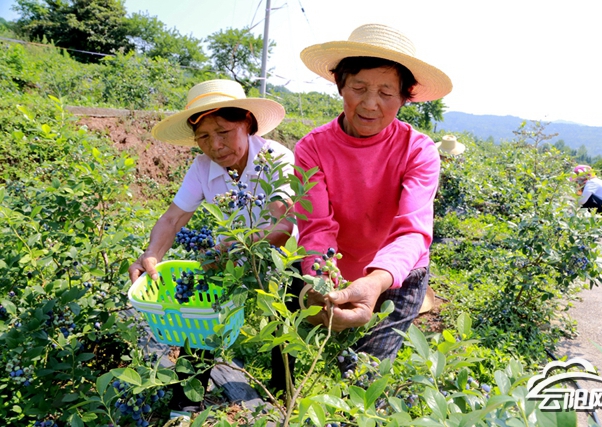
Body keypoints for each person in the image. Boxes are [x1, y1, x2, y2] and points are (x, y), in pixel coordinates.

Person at [294, 24, 453, 365]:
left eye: (386, 92)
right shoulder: (312, 149)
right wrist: (322, 283)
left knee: (365, 370)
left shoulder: (418, 151)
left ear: (405, 96)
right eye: (359, 88)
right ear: (341, 85)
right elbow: (316, 227)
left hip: (399, 273)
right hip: (334, 264)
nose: (370, 104)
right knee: (301, 352)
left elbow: (412, 232)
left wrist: (376, 281)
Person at [128, 79, 294, 283]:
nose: (215, 145)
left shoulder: (274, 159)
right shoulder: (202, 167)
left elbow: (283, 226)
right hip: (234, 275)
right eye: (203, 137)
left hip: (282, 273)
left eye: (223, 132)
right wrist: (151, 254)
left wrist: (230, 248)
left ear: (247, 122)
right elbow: (172, 220)